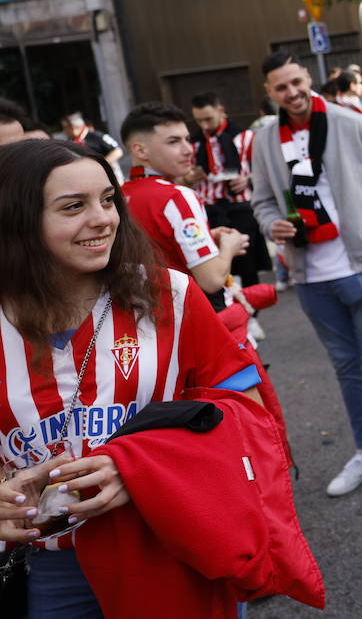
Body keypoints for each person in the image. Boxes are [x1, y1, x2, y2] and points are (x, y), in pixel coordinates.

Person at [0, 139, 267, 615]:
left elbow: (247, 412)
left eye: (107, 200)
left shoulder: (168, 293)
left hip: (166, 542)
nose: (103, 218)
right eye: (73, 207)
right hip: (50, 566)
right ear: (17, 223)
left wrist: (140, 467)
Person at [251, 52, 362, 495]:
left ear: (307, 77)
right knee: (346, 367)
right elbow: (262, 201)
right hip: (310, 274)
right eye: (281, 87)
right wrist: (269, 224)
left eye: (297, 81)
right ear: (269, 93)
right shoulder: (264, 141)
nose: (292, 92)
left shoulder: (348, 122)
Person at [119, 103, 250, 304]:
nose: (188, 150)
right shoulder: (177, 196)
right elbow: (212, 280)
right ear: (140, 150)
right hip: (190, 316)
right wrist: (229, 247)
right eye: (173, 141)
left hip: (146, 317)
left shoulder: (116, 196)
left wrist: (207, 239)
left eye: (187, 139)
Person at [188, 92, 270, 292]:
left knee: (248, 266)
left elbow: (265, 170)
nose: (204, 126)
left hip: (240, 207)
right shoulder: (192, 142)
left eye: (208, 119)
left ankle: (251, 316)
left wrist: (248, 179)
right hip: (209, 210)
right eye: (199, 121)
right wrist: (188, 178)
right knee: (217, 267)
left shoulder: (246, 137)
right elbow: (179, 177)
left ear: (221, 111)